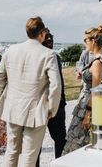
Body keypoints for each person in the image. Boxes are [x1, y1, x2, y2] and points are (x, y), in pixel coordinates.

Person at [0, 17, 61, 167]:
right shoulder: (48, 54)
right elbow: (56, 85)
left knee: (12, 151)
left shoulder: (11, 50)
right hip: (35, 110)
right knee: (30, 156)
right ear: (42, 33)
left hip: (12, 107)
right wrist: (52, 109)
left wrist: (2, 99)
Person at [63, 25, 102, 154]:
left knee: (76, 143)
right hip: (96, 104)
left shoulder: (97, 62)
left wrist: (88, 114)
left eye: (86, 40)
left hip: (87, 105)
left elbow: (96, 90)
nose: (85, 43)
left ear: (93, 41)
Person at [36, 30, 67, 165]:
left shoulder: (56, 57)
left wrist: (61, 102)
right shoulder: (36, 57)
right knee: (36, 142)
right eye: (47, 38)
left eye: (52, 38)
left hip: (57, 105)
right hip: (39, 105)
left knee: (60, 139)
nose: (50, 40)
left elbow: (59, 83)